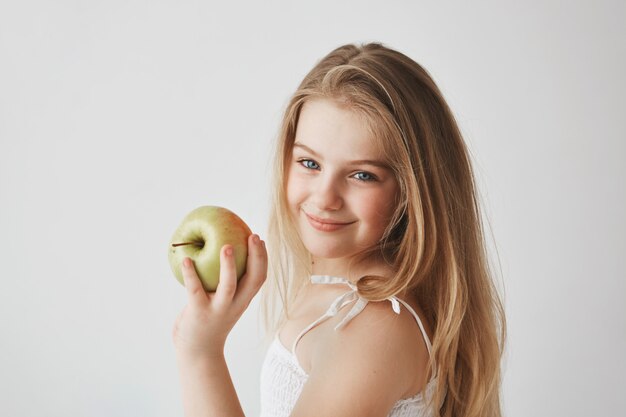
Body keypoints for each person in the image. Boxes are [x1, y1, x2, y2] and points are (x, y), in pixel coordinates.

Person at [173, 42, 506, 417]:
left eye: (362, 175)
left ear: (414, 192)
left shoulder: (369, 327)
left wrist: (199, 352)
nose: (325, 197)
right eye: (309, 163)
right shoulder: (338, 286)